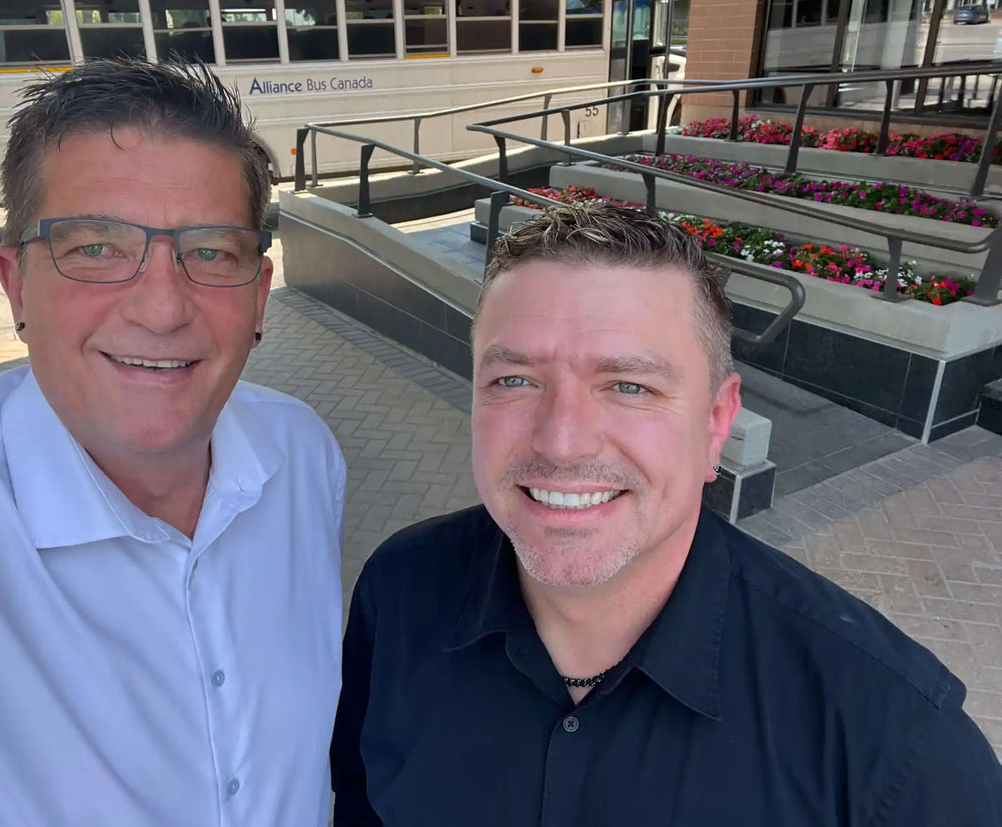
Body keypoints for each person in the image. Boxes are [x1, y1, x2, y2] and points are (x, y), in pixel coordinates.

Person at [331, 203, 1002, 826]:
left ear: (716, 422)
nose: (561, 440)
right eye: (515, 380)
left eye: (629, 385)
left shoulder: (891, 740)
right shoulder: (399, 593)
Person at [0, 58, 345, 826]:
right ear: (16, 284)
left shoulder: (302, 455)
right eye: (95, 248)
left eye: (212, 252)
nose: (162, 308)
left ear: (259, 296)